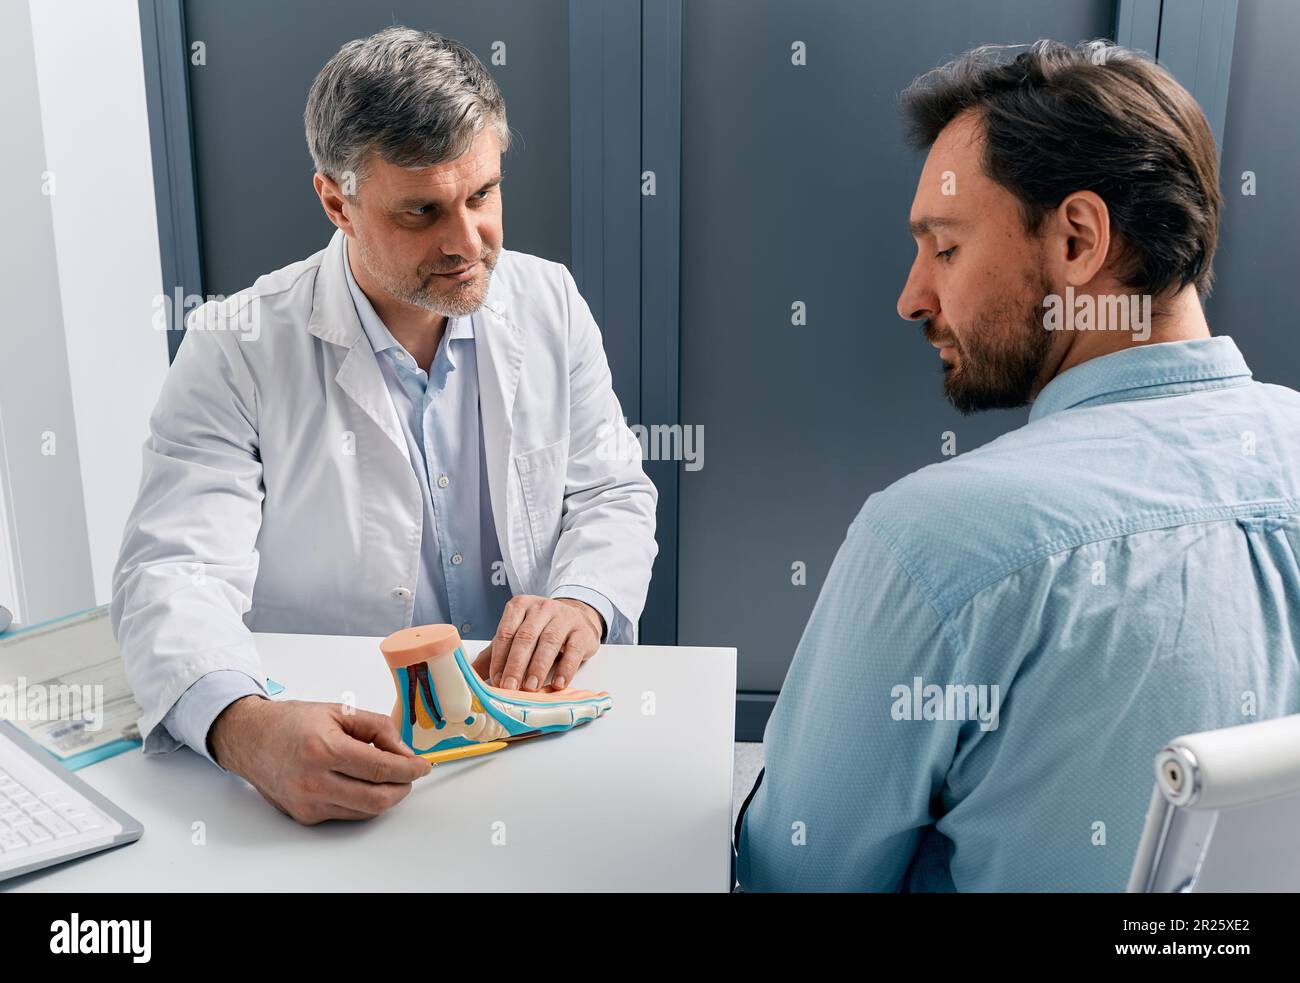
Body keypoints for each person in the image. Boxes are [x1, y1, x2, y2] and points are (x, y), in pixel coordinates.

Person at [737, 40, 1300, 891]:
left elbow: (799, 872)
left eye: (946, 247)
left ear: (1077, 240)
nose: (913, 296)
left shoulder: (933, 542)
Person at [112, 27, 657, 825]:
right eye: (423, 211)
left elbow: (612, 492)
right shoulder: (236, 346)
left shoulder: (550, 302)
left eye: (482, 196)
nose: (469, 243)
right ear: (337, 202)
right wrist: (243, 728)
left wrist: (581, 601)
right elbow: (171, 571)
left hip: (531, 725)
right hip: (342, 743)